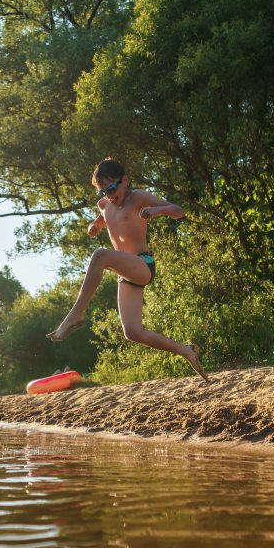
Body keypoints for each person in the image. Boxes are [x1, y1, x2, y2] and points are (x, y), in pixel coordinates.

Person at [47, 158, 210, 383]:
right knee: (132, 332)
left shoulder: (138, 198)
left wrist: (156, 210)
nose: (109, 195)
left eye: (112, 188)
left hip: (142, 264)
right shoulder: (105, 205)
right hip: (126, 275)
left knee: (100, 255)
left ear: (125, 180)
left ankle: (76, 314)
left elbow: (178, 210)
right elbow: (102, 219)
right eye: (103, 192)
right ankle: (186, 351)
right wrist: (93, 227)